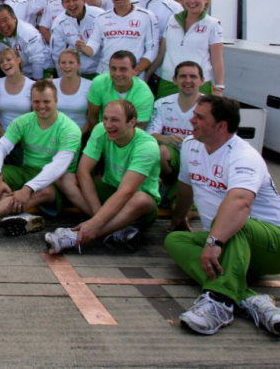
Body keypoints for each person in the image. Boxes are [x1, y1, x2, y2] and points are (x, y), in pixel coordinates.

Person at [165, 96, 280, 337]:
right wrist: (179, 217)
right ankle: (250, 299)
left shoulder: (244, 156)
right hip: (227, 243)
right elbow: (185, 186)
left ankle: (220, 302)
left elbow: (241, 202)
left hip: (279, 245)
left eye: (200, 117)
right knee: (175, 240)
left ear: (221, 126)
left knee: (235, 223)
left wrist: (213, 242)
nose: (191, 119)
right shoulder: (190, 145)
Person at [0, 80, 90, 236]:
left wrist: (28, 188)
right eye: (36, 102)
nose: (41, 106)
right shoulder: (24, 121)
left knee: (45, 191)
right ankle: (20, 213)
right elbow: (1, 148)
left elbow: (57, 167)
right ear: (31, 102)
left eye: (46, 101)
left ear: (56, 101)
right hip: (28, 170)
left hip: (55, 180)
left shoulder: (70, 129)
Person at [44, 100, 160, 254]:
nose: (108, 125)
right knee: (64, 177)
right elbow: (83, 171)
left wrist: (94, 225)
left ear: (132, 122)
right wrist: (97, 219)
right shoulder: (100, 130)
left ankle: (76, 236)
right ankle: (115, 229)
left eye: (115, 120)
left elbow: (126, 191)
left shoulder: (147, 146)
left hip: (137, 205)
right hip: (111, 191)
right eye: (105, 119)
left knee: (141, 199)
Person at [153, 0, 225, 98]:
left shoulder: (212, 24)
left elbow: (217, 60)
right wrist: (147, 74)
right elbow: (162, 53)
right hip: (168, 81)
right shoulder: (172, 20)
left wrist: (219, 87)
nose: (192, 1)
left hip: (198, 84)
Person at [147, 61, 203, 206]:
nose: (188, 81)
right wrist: (166, 139)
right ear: (174, 80)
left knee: (179, 208)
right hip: (174, 156)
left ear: (202, 81)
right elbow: (150, 135)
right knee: (160, 151)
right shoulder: (162, 103)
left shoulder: (211, 105)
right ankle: (166, 184)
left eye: (193, 77)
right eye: (183, 76)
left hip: (199, 159)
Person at [79, 0, 158, 75]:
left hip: (133, 74)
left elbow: (152, 49)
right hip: (105, 74)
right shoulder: (101, 18)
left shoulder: (147, 16)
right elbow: (94, 44)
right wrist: (84, 48)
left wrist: (136, 70)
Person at [85, 50, 155, 132]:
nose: (117, 74)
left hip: (129, 139)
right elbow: (92, 116)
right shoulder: (99, 83)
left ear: (134, 70)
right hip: (102, 133)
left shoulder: (144, 94)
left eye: (123, 69)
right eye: (113, 68)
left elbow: (139, 129)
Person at [50, 0, 103, 77]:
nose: (71, 4)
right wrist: (63, 79)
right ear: (62, 4)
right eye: (67, 1)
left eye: (75, 0)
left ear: (83, 0)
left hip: (100, 71)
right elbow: (57, 54)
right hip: (75, 73)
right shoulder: (59, 22)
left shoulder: (99, 15)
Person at [0, 5, 49, 80]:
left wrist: (37, 82)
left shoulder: (28, 32)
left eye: (5, 20)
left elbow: (38, 60)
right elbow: (1, 56)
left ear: (14, 18)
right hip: (20, 75)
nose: (3, 25)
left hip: (43, 72)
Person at [0, 48, 35, 138]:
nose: (5, 63)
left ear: (18, 60)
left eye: (8, 59)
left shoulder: (32, 86)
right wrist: (1, 133)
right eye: (1, 62)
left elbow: (36, 116)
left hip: (26, 137)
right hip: (3, 135)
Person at [52, 49, 93, 132]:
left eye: (71, 62)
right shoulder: (51, 84)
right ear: (59, 65)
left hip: (82, 134)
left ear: (78, 65)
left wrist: (78, 136)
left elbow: (92, 117)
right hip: (55, 135)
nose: (67, 66)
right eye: (63, 63)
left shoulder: (90, 85)